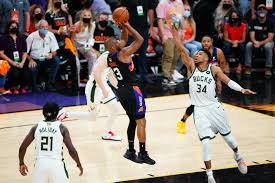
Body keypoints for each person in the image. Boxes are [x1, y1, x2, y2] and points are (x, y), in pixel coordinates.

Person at [170, 23, 255, 183]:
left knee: (230, 140)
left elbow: (228, 81)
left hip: (215, 109)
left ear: (207, 58)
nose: (196, 55)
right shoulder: (191, 67)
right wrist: (172, 29)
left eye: (199, 54)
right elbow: (181, 48)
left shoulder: (214, 69)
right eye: (195, 54)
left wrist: (242, 89)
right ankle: (210, 176)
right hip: (200, 111)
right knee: (206, 143)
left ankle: (237, 155)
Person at [93, 22, 155, 165]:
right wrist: (128, 24)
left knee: (133, 120)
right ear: (115, 46)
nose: (121, 41)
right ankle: (143, 153)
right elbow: (140, 39)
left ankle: (130, 151)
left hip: (121, 90)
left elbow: (124, 40)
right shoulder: (124, 53)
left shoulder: (110, 57)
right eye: (118, 41)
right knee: (141, 121)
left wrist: (123, 28)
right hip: (132, 89)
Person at [18, 102, 83, 182]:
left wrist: (21, 163)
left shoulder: (36, 127)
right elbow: (72, 150)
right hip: (57, 165)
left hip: (40, 165)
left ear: (43, 113)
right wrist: (78, 164)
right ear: (57, 113)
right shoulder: (62, 128)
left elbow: (22, 148)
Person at [121, 0, 155, 85]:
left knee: (142, 54)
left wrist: (151, 27)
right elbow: (123, 12)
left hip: (144, 28)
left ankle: (144, 76)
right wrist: (127, 28)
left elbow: (150, 10)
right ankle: (129, 77)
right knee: (128, 53)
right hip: (131, 29)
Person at [156, 0, 185, 85]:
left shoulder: (180, 2)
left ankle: (171, 74)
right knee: (168, 56)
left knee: (176, 55)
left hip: (178, 34)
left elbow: (181, 17)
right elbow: (160, 20)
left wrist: (183, 31)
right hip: (168, 34)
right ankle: (166, 77)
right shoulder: (162, 3)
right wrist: (163, 34)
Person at [27, 20, 60, 92]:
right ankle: (34, 86)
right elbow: (24, 52)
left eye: (46, 27)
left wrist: (51, 55)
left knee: (56, 60)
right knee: (32, 68)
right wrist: (30, 60)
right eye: (42, 27)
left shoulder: (50, 35)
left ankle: (50, 83)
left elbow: (55, 51)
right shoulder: (31, 36)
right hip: (35, 59)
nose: (45, 29)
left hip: (47, 58)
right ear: (38, 28)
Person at [0, 21, 31, 94]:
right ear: (8, 28)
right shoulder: (3, 38)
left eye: (16, 27)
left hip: (20, 61)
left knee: (26, 73)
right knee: (15, 73)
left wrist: (22, 62)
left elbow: (24, 52)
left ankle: (22, 87)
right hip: (8, 61)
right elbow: (1, 53)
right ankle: (13, 87)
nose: (14, 28)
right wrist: (12, 62)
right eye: (12, 27)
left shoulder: (22, 38)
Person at [244, 4, 274, 76]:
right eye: (260, 9)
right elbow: (252, 36)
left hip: (267, 41)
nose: (262, 11)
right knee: (248, 45)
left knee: (268, 46)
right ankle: (248, 67)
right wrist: (255, 42)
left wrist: (260, 43)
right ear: (257, 12)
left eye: (263, 9)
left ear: (266, 11)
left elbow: (270, 37)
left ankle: (268, 68)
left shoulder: (270, 22)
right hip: (255, 41)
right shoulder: (253, 22)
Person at [72, 9, 97, 75]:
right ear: (82, 16)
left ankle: (91, 78)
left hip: (85, 45)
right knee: (76, 61)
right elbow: (72, 38)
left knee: (93, 56)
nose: (87, 17)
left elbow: (91, 37)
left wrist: (89, 45)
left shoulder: (92, 25)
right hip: (75, 43)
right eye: (85, 15)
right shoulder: (77, 25)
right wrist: (74, 49)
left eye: (88, 15)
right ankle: (77, 80)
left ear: (91, 17)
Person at [223, 9, 246, 74]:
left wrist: (237, 42)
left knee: (242, 46)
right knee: (226, 45)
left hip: (239, 42)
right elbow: (225, 38)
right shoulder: (226, 25)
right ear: (230, 17)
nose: (234, 18)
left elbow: (243, 39)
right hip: (230, 41)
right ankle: (226, 64)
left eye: (236, 17)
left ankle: (240, 65)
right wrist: (233, 42)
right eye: (233, 17)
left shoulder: (243, 25)